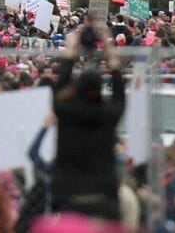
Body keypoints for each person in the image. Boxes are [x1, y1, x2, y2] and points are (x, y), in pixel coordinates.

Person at [50, 15, 125, 221]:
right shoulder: (109, 114)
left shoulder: (65, 112)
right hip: (104, 193)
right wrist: (108, 46)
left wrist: (71, 50)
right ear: (101, 88)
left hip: (67, 194)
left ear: (77, 88)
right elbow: (119, 93)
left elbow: (61, 85)